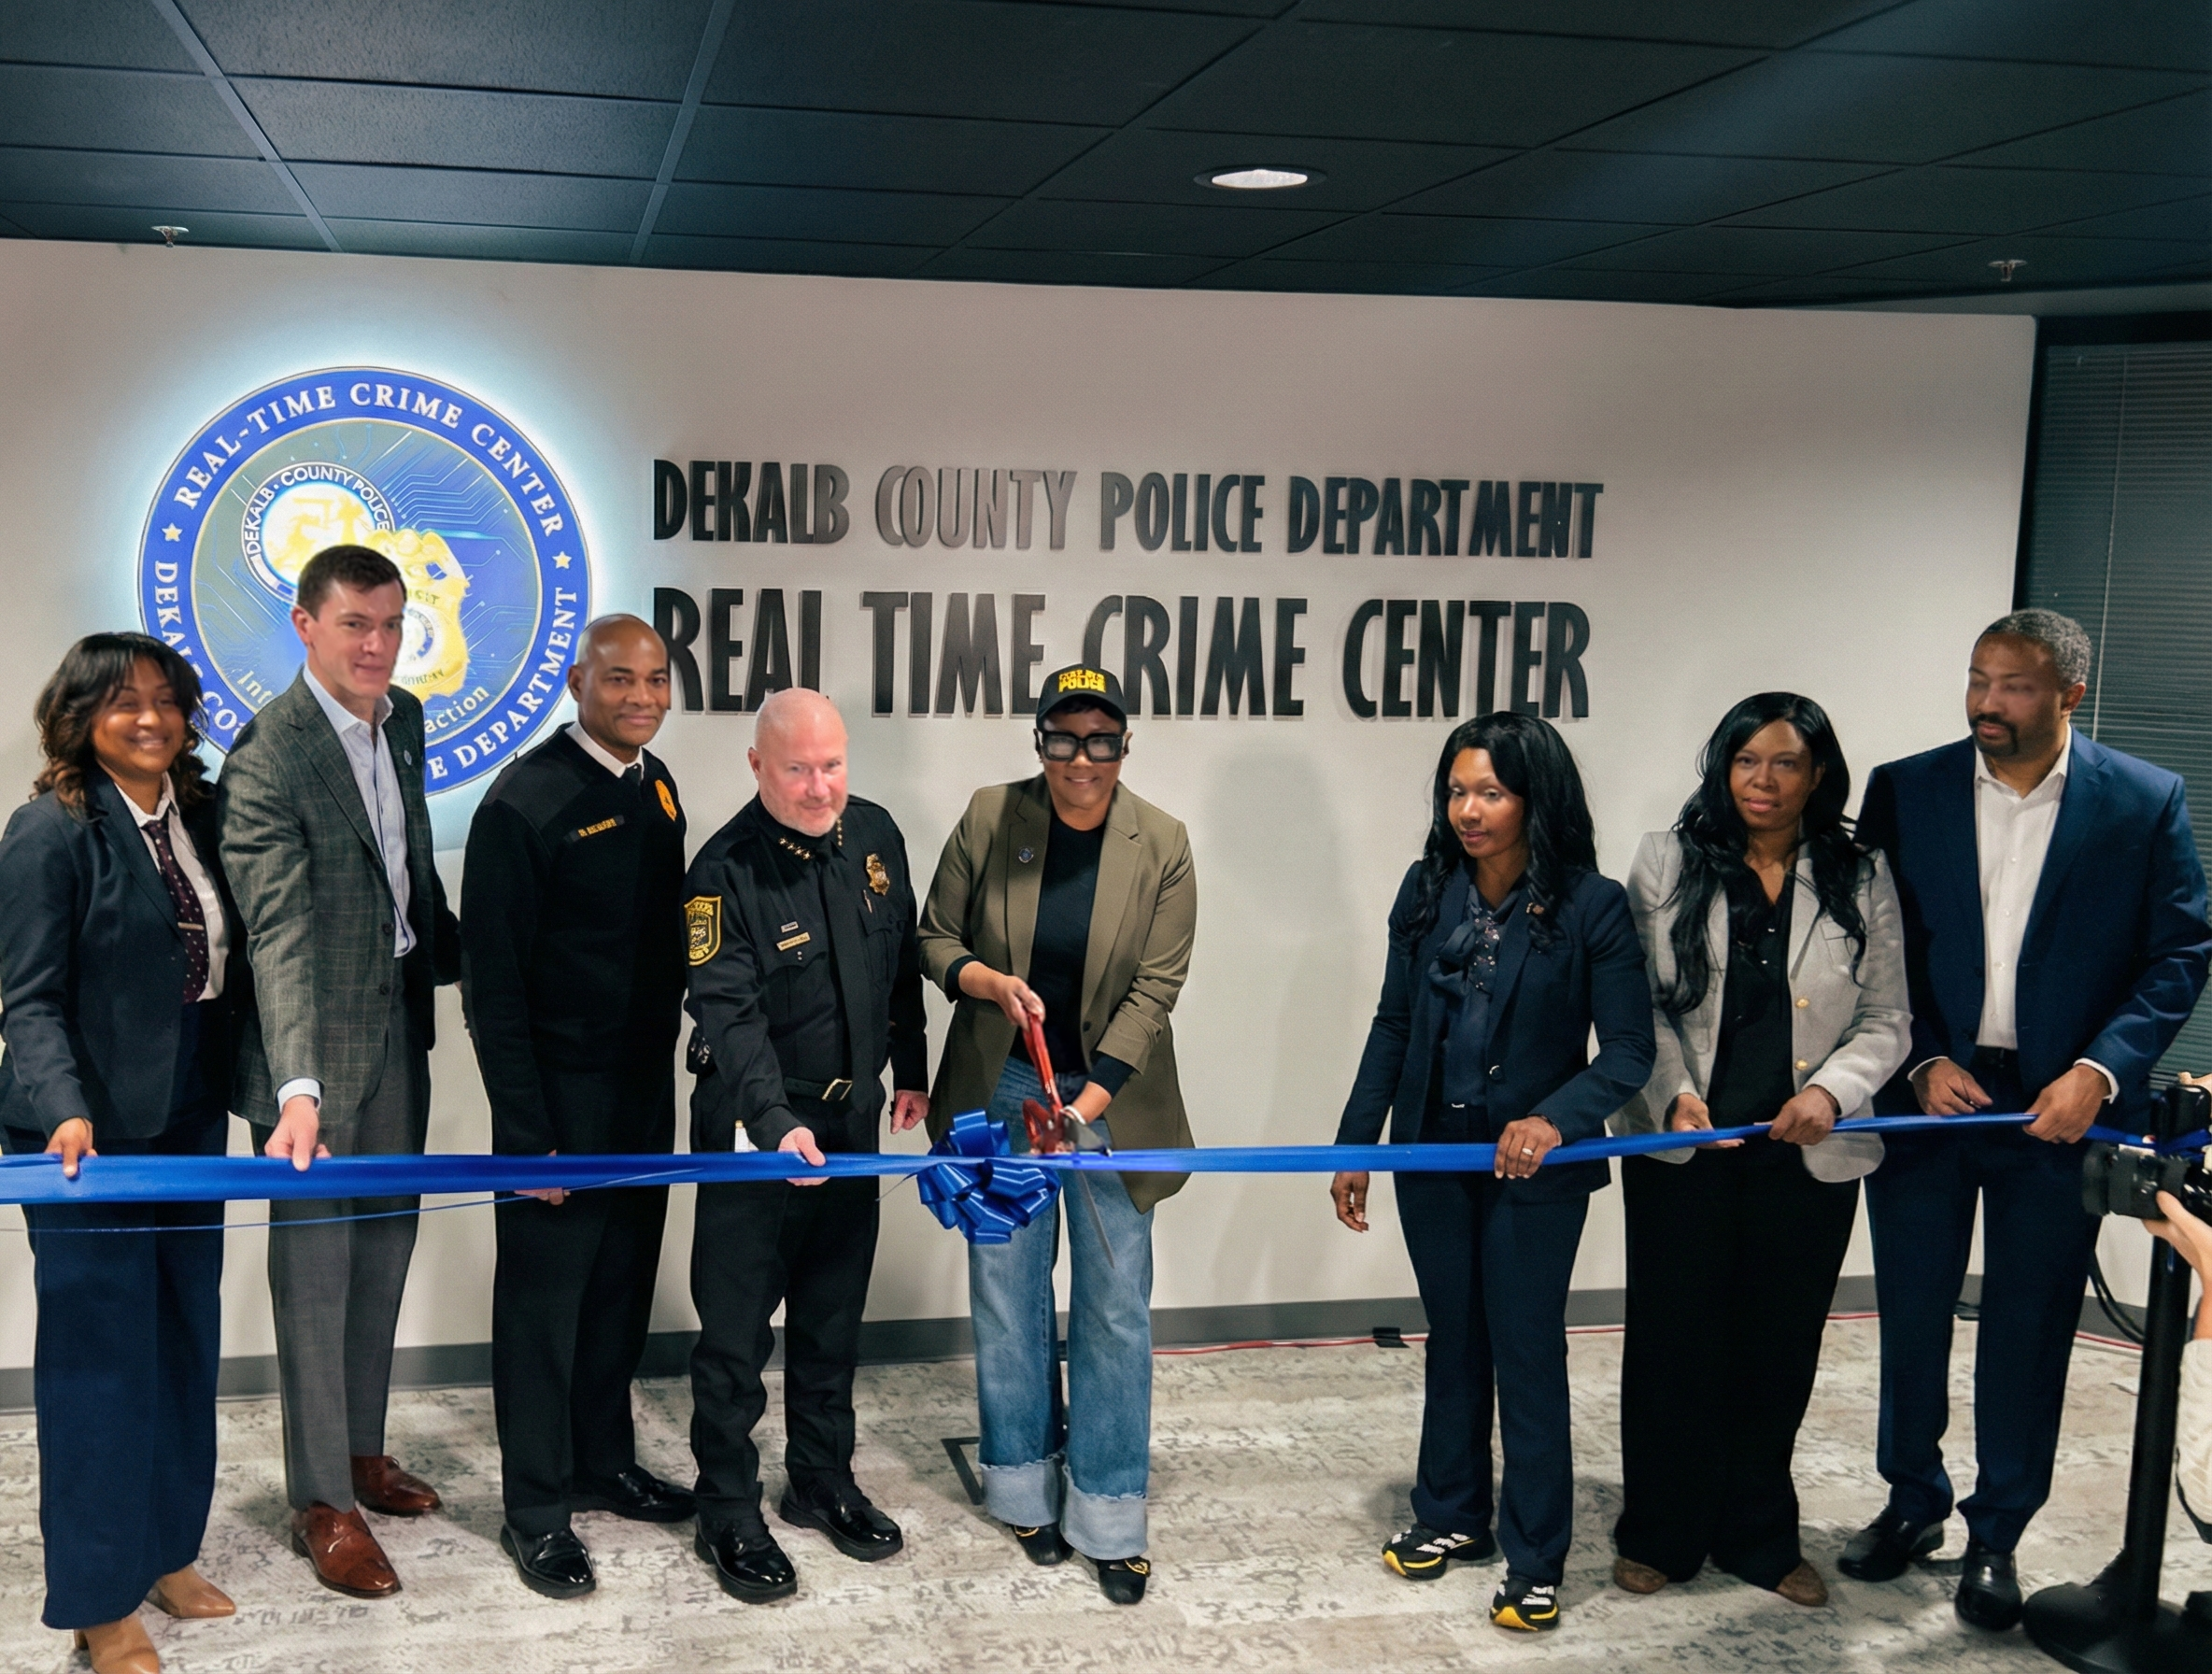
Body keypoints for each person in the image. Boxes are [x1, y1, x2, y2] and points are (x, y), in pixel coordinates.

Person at [1848, 608, 2211, 1631]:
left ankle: (1996, 1532)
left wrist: (2100, 1071)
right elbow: (1871, 945)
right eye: (1976, 678)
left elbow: (2178, 952)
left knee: (2030, 1324)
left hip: (2060, 1112)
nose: (1985, 703)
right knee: (1911, 1312)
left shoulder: (2141, 801)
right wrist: (1917, 1056)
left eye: (2012, 685)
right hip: (1931, 1098)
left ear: (2067, 694)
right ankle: (1909, 1499)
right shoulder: (1904, 787)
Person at [1332, 711, 1654, 1635]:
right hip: (1430, 1153)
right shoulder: (1426, 888)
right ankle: (1449, 1515)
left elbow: (1628, 1050)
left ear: (1534, 797)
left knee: (1525, 1349)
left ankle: (1535, 1554)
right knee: (1454, 1338)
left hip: (1532, 1172)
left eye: (1491, 791)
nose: (1468, 810)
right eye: (1456, 790)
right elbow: (1393, 1022)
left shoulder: (1591, 904)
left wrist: (1555, 1118)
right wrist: (1361, 1142)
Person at [1609, 693, 1910, 1608]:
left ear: (1818, 776)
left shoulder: (1859, 872)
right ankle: (1660, 1529)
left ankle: (1758, 1532)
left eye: (1784, 763)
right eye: (1746, 760)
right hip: (1685, 1146)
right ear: (1721, 766)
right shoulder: (1667, 859)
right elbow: (1639, 1004)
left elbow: (1886, 1016)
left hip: (1805, 1154)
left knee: (1777, 1349)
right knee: (1673, 1343)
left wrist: (1831, 1091)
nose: (1763, 781)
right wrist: (1675, 1093)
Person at [918, 663, 1198, 1607]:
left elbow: (1156, 989)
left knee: (1116, 1307)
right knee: (1008, 1292)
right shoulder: (993, 814)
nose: (1082, 758)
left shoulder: (1162, 841)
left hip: (1107, 1102)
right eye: (1062, 737)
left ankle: (1111, 1513)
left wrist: (1083, 1108)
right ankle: (1020, 1487)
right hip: (1001, 1089)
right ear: (1040, 741)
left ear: (1124, 743)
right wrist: (985, 982)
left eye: (1101, 738)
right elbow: (931, 938)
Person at [0, 635, 249, 1674]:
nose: (149, 718)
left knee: (185, 1338)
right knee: (101, 1365)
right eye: (123, 703)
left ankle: (166, 1551)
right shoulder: (48, 831)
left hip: (189, 1115)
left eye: (166, 700)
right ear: (80, 715)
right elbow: (28, 999)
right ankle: (100, 1601)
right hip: (85, 1136)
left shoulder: (198, 816)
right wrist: (63, 1109)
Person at [219, 544, 462, 1599]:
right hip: (313, 1058)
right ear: (305, 626)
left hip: (396, 1030)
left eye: (391, 624)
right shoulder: (267, 755)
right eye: (355, 623)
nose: (376, 644)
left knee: (384, 1252)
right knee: (315, 1281)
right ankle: (323, 1498)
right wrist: (297, 1085)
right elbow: (277, 931)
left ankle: (363, 1449)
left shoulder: (399, 717)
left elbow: (407, 872)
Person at [460, 616, 696, 1599]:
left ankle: (604, 1462)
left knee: (617, 1297)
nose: (640, 695)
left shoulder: (656, 782)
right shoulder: (526, 801)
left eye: (654, 679)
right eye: (619, 679)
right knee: (543, 1312)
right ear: (574, 680)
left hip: (643, 1091)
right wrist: (527, 1136)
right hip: (558, 1104)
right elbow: (491, 986)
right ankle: (538, 1510)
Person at [681, 687, 929, 1602]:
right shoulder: (722, 871)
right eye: (797, 767)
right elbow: (729, 1015)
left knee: (830, 1318)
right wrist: (772, 1121)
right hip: (756, 1129)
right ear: (757, 765)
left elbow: (898, 961)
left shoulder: (874, 835)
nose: (819, 785)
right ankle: (727, 1507)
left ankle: (819, 1480)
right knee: (737, 1332)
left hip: (851, 1124)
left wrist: (912, 1067)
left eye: (832, 764)